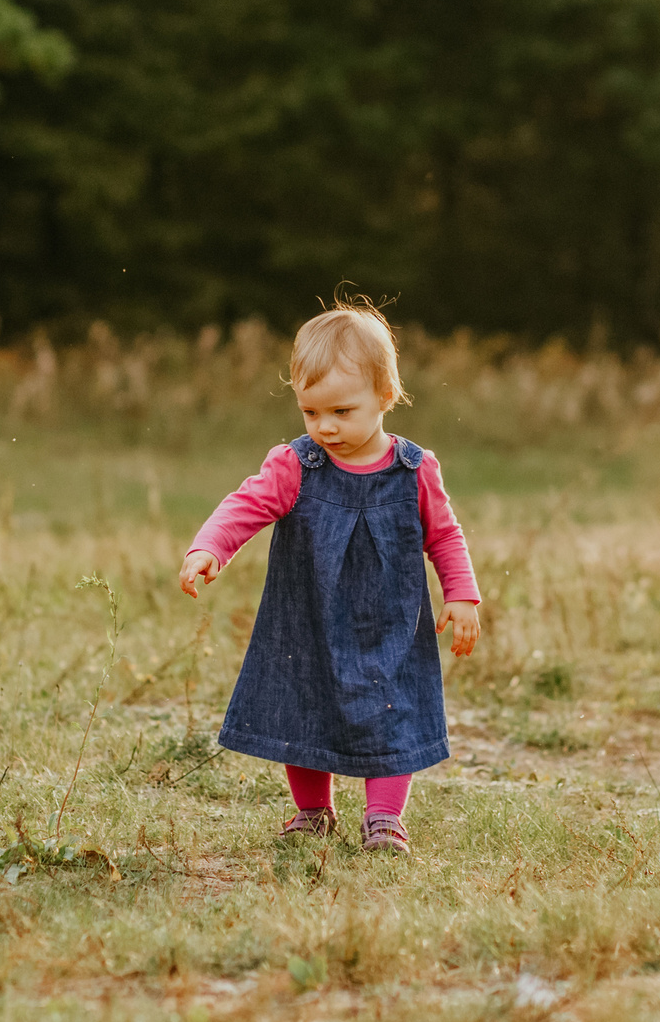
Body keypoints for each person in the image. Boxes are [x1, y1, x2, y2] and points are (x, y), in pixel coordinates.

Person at [179, 301, 481, 854]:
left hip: (389, 622)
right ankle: (313, 811)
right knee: (303, 703)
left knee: (392, 707)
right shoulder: (296, 464)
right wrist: (210, 547)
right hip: (309, 617)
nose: (326, 427)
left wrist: (460, 595)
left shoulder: (414, 469)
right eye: (311, 413)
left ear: (386, 396)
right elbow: (246, 505)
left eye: (342, 411)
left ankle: (385, 819)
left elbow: (443, 535)